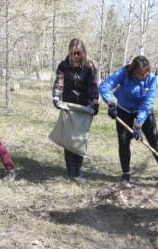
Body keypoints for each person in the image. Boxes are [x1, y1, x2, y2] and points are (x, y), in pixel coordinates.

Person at [98, 55, 158, 184]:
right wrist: (111, 103)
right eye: (141, 74)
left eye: (146, 73)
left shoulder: (152, 79)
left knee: (154, 140)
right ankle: (125, 174)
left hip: (143, 110)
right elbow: (104, 86)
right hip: (124, 110)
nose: (144, 76)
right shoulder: (124, 73)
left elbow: (147, 103)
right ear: (133, 71)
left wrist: (138, 124)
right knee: (123, 142)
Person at [51, 38, 99, 180]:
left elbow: (93, 85)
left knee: (80, 138)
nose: (75, 56)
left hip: (84, 107)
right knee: (69, 138)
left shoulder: (90, 67)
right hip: (68, 106)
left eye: (78, 53)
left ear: (83, 52)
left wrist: (95, 102)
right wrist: (55, 97)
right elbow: (59, 83)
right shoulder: (63, 66)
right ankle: (70, 170)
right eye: (73, 53)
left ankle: (78, 169)